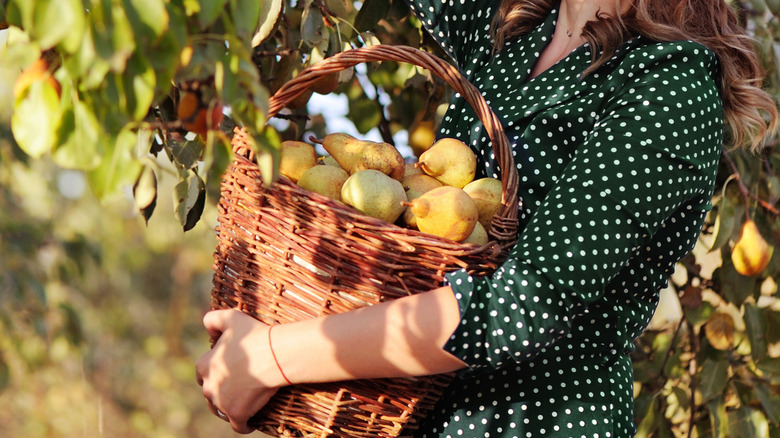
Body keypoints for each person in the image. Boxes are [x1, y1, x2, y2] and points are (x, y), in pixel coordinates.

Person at [196, 0, 778, 436]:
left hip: (536, 421)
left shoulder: (670, 85)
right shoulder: (516, 32)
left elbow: (519, 306)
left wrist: (272, 356)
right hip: (411, 413)